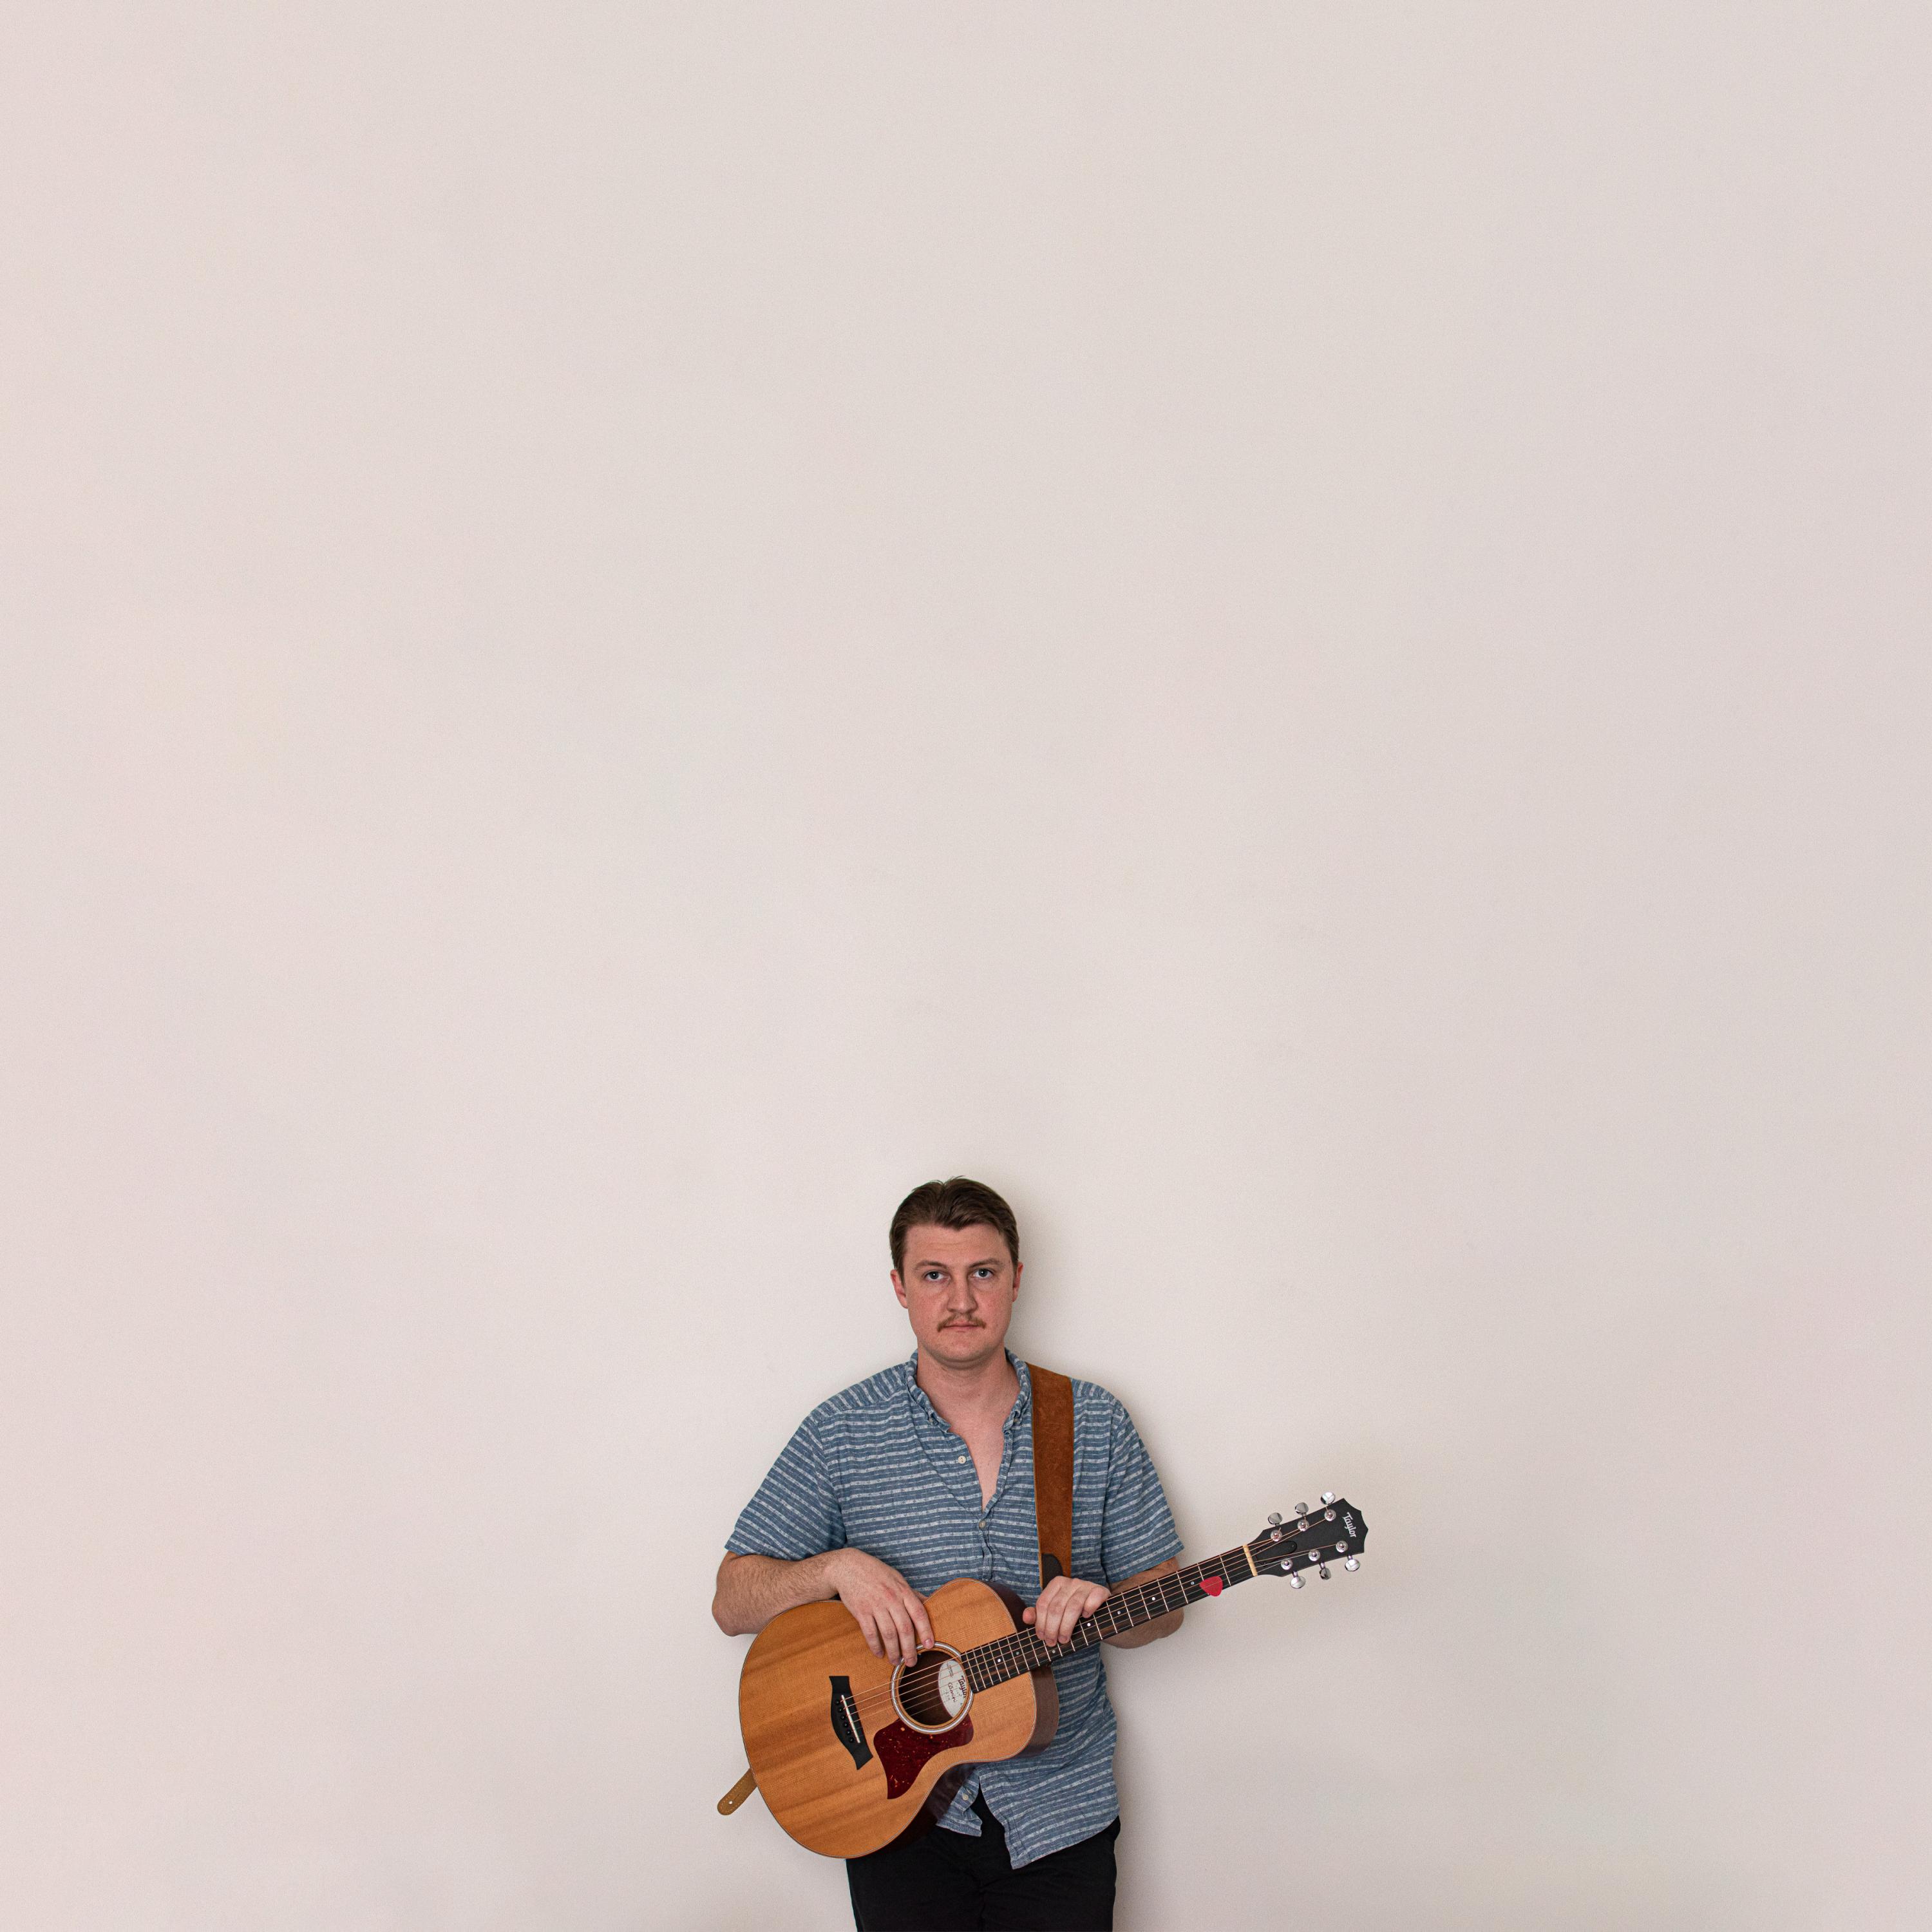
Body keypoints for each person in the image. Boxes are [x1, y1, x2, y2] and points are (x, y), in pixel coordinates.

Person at [712, 1176, 1184, 1932]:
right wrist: (833, 1569)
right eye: (935, 1275)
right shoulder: (840, 1433)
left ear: (1016, 1280)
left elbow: (1163, 1608)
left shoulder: (1093, 1421)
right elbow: (732, 1599)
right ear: (900, 1287)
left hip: (1061, 1812)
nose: (961, 1300)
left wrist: (1108, 1604)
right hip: (892, 1810)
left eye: (982, 1273)